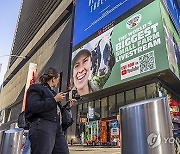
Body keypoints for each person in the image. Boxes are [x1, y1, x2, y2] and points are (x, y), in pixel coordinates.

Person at [25, 67, 76, 154]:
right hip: (43, 126)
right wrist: (54, 100)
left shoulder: (53, 93)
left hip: (57, 128)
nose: (58, 82)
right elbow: (34, 106)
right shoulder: (36, 88)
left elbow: (54, 110)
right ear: (53, 79)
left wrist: (67, 107)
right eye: (58, 79)